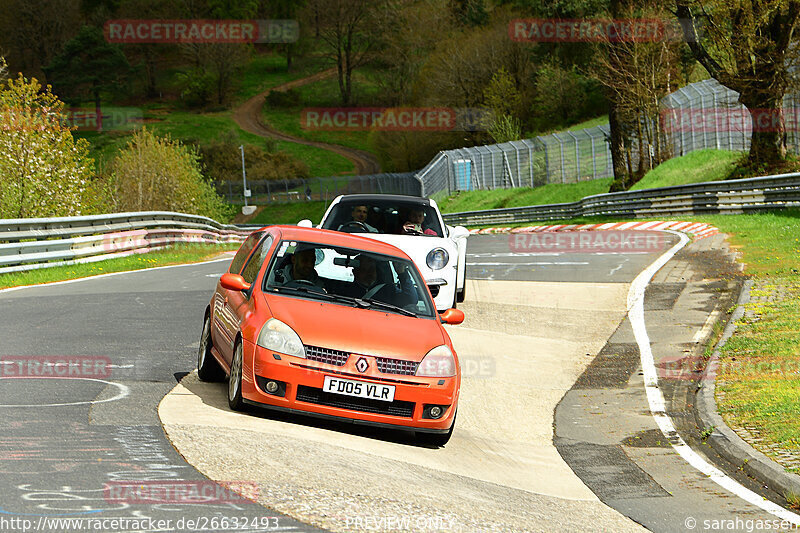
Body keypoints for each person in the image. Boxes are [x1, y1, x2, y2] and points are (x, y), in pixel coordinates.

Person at [339, 254, 417, 307]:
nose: (369, 272)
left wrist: (402, 273)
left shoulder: (388, 290)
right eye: (363, 269)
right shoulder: (345, 290)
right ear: (355, 272)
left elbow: (411, 300)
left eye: (371, 268)